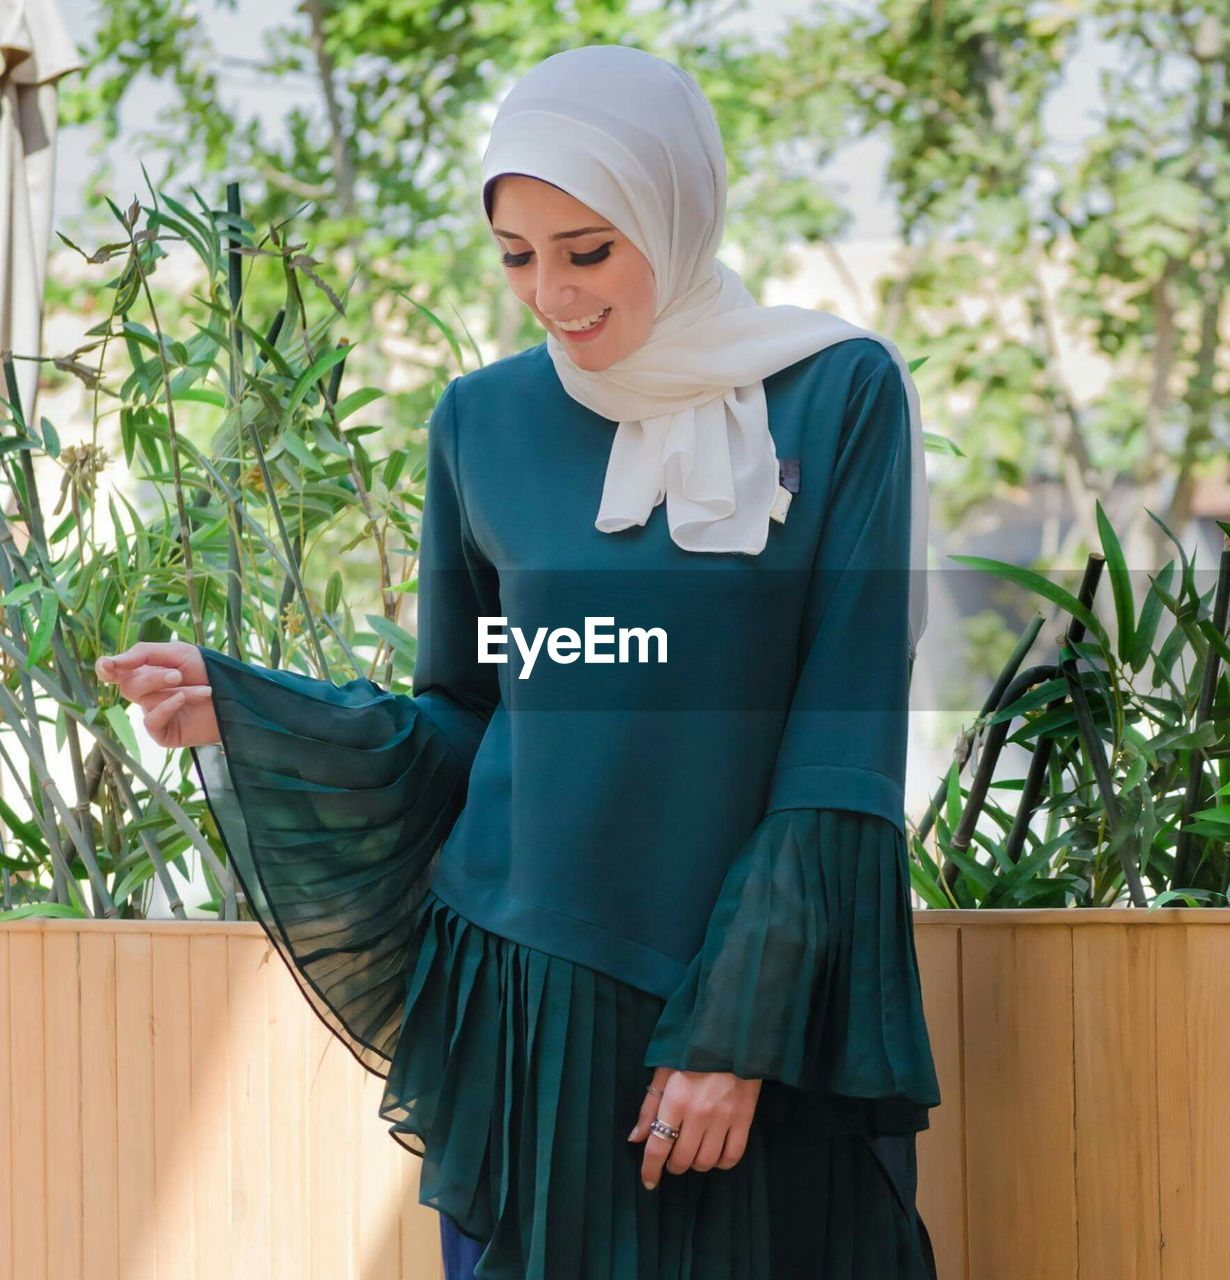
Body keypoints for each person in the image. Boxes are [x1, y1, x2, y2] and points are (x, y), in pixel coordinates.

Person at [96, 44, 941, 1280]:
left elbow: (840, 747)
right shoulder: (480, 423)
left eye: (587, 249)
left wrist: (735, 1034)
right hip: (526, 1015)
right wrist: (261, 715)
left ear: (675, 209)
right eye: (517, 256)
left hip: (752, 1004)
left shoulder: (836, 393)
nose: (551, 293)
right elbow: (471, 711)